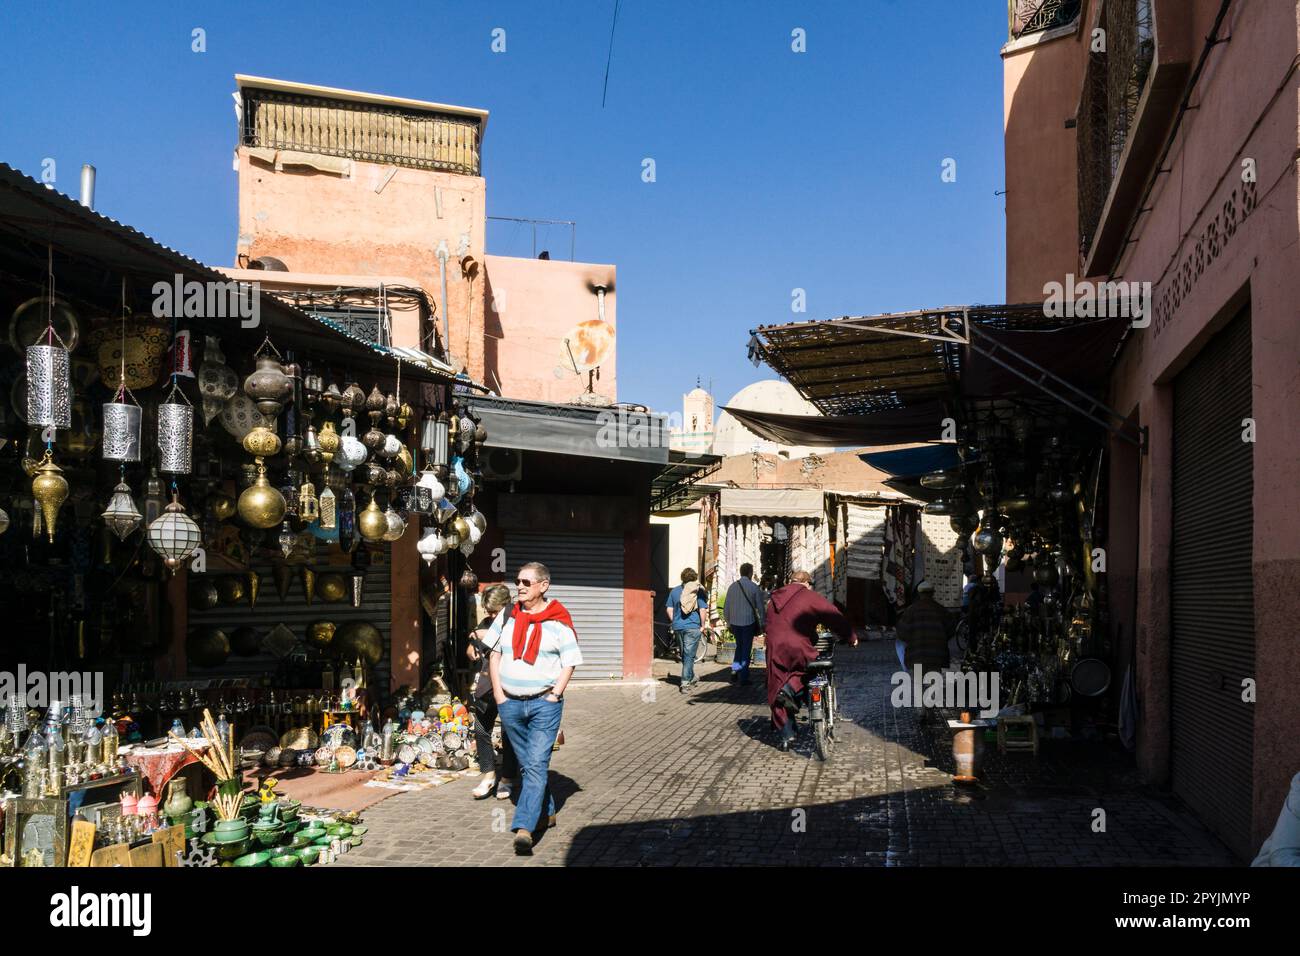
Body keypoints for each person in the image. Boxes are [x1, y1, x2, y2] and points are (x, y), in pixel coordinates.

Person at [485, 562, 582, 855]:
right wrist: (500, 696)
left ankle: (525, 828)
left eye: (527, 582)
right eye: (518, 581)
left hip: (544, 704)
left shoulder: (558, 620)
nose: (520, 586)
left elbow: (570, 662)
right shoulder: (508, 615)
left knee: (536, 764)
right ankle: (548, 811)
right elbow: (494, 655)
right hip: (510, 704)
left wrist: (555, 694)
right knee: (530, 765)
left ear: (544, 585)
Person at [765, 570, 856, 751]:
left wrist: (810, 634)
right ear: (806, 583)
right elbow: (832, 615)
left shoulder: (773, 599)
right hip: (797, 647)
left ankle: (786, 735)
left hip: (774, 648)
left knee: (776, 686)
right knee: (808, 671)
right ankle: (790, 689)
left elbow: (775, 623)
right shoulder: (808, 596)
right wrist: (850, 636)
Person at [466, 584, 519, 800]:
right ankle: (488, 775)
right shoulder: (487, 623)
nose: (491, 615)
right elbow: (470, 648)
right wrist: (472, 649)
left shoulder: (518, 621)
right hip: (487, 686)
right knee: (481, 729)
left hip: (510, 686)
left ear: (506, 606)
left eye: (495, 611)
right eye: (488, 611)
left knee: (509, 734)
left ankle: (507, 778)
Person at [894, 580, 956, 723]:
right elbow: (951, 629)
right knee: (933, 682)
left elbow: (902, 632)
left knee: (918, 682)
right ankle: (930, 708)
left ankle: (922, 711)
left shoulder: (910, 610)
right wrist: (940, 638)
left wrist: (913, 638)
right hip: (936, 653)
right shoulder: (941, 610)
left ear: (919, 594)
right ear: (932, 593)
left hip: (916, 653)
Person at [665, 568, 708, 693]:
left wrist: (675, 621)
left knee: (685, 654)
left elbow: (669, 609)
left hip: (678, 627)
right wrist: (703, 625)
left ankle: (692, 676)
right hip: (692, 626)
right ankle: (684, 683)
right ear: (694, 577)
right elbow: (703, 609)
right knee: (689, 655)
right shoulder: (697, 591)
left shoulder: (675, 591)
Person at [723, 563, 766, 686]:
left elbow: (726, 607)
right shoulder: (753, 587)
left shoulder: (732, 587)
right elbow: (760, 607)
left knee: (739, 646)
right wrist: (763, 622)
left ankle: (735, 669)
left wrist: (728, 622)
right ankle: (744, 676)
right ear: (750, 573)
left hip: (735, 623)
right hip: (748, 622)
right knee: (746, 649)